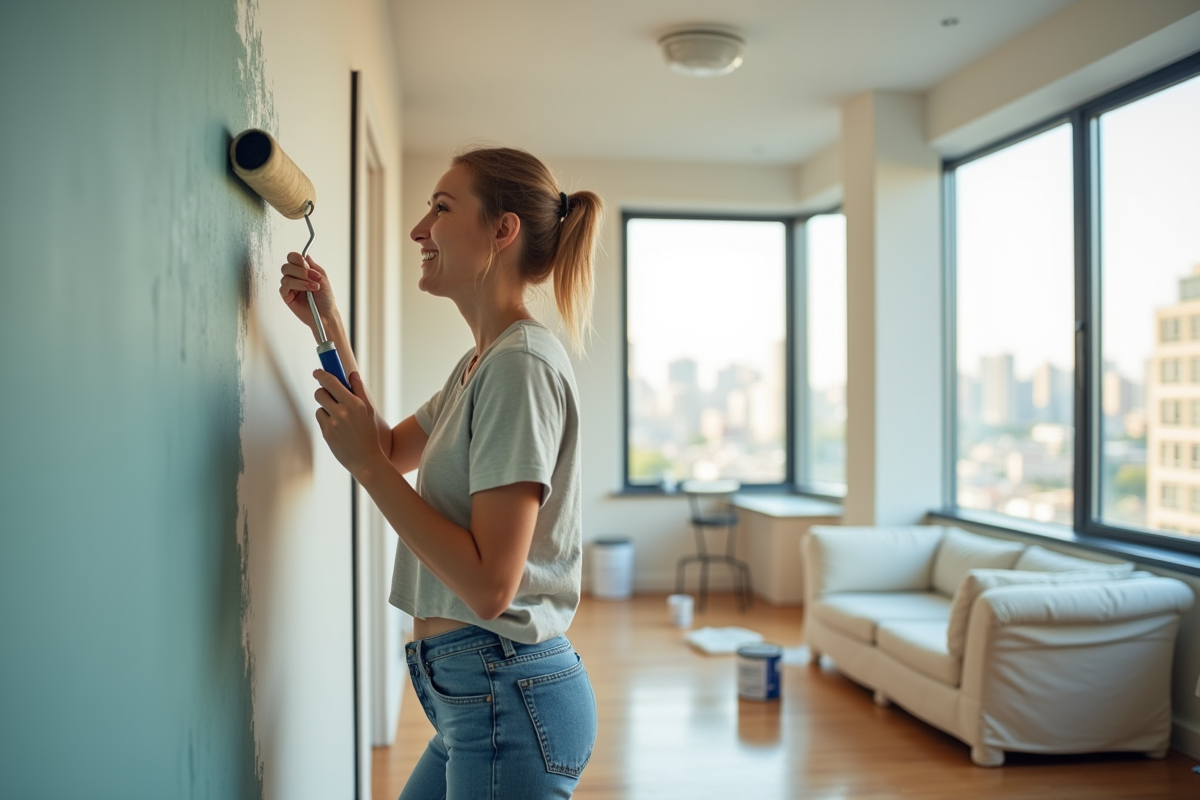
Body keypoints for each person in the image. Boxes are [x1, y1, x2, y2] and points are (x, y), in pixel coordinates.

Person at [278, 146, 603, 799]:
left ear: (502, 230)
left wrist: (367, 469)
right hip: (478, 695)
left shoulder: (521, 365)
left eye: (442, 208)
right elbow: (392, 446)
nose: (418, 229)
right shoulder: (479, 363)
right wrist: (330, 327)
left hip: (506, 696)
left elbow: (490, 586)